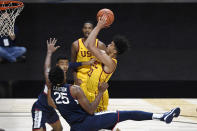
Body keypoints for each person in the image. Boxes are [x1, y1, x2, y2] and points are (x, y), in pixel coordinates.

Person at [45, 37, 180, 131]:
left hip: (75, 126)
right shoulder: (74, 89)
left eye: (111, 44)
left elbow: (47, 73)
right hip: (89, 118)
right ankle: (161, 116)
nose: (108, 44)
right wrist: (101, 92)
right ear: (62, 78)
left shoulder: (52, 92)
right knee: (125, 115)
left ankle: (162, 116)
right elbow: (90, 110)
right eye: (63, 73)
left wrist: (49, 54)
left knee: (111, 124)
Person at [31, 38, 95, 131]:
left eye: (66, 64)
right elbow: (46, 68)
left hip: (50, 109)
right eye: (62, 64)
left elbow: (74, 64)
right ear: (57, 65)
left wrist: (87, 62)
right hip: (40, 108)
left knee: (59, 129)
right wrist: (49, 53)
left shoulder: (64, 73)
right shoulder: (52, 77)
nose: (65, 66)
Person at [71, 21, 106, 107]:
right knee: (81, 107)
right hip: (81, 78)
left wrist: (102, 80)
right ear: (82, 30)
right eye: (85, 28)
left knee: (97, 107)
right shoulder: (76, 44)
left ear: (93, 30)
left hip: (95, 79)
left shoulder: (100, 45)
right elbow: (72, 64)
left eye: (89, 28)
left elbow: (105, 65)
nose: (87, 30)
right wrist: (75, 79)